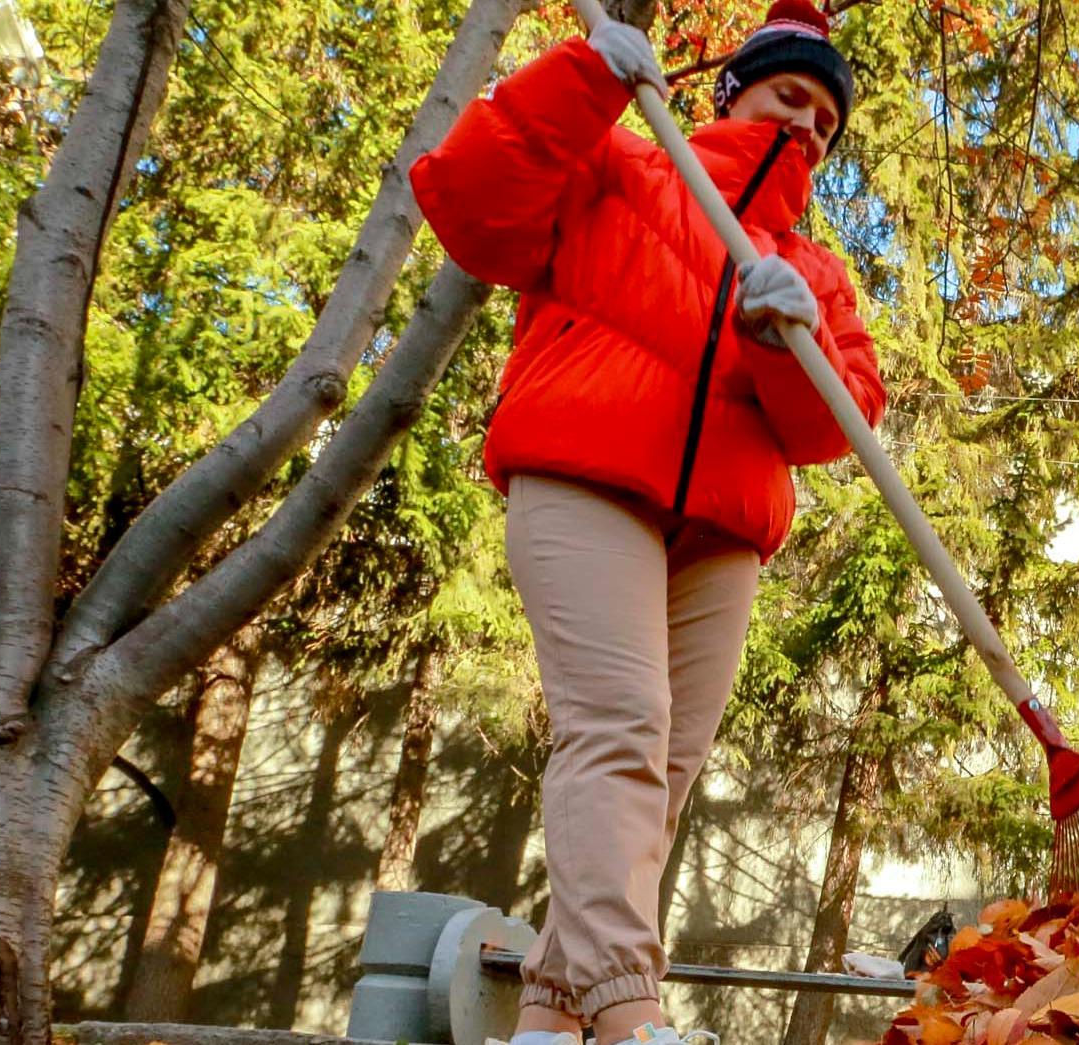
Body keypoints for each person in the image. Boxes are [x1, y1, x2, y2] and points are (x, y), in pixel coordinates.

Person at [407, 1, 883, 1043]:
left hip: (723, 531)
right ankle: (629, 1012)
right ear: (732, 93)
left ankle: (548, 1019)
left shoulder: (814, 275)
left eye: (826, 121)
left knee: (659, 780)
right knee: (619, 727)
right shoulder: (620, 166)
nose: (807, 126)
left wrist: (784, 340)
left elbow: (832, 425)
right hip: (587, 477)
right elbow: (472, 204)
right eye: (790, 97)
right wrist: (578, 78)